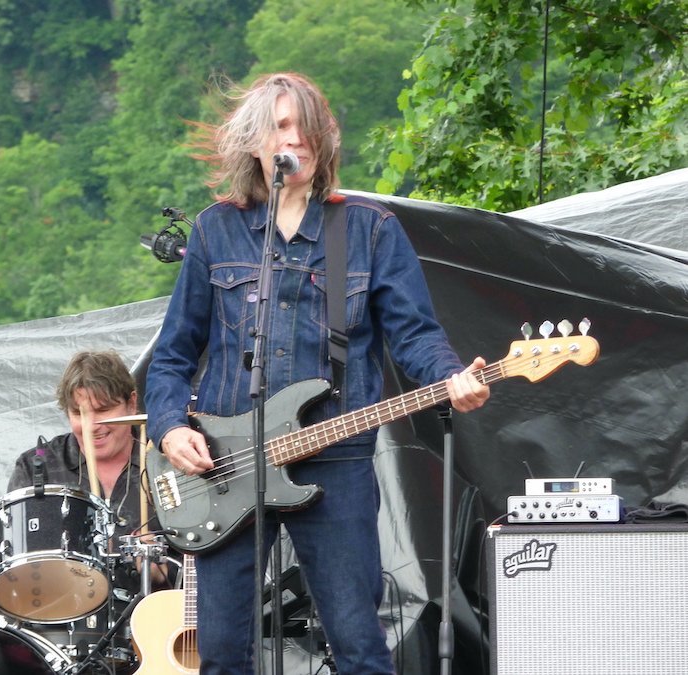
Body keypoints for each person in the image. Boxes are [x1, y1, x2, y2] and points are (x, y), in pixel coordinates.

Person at [144, 73, 490, 675]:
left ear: (324, 139)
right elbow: (173, 354)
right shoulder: (215, 230)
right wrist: (171, 428)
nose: (295, 138)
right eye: (281, 126)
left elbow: (415, 335)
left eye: (306, 126)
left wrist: (452, 375)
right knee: (221, 654)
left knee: (359, 648)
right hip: (226, 466)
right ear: (255, 141)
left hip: (334, 460)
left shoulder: (368, 229)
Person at [6, 350, 173, 668]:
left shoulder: (167, 459)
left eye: (104, 410)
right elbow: (15, 570)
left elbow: (205, 560)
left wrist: (163, 570)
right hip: (57, 642)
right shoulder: (38, 467)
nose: (92, 425)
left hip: (157, 638)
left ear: (132, 403)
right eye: (78, 413)